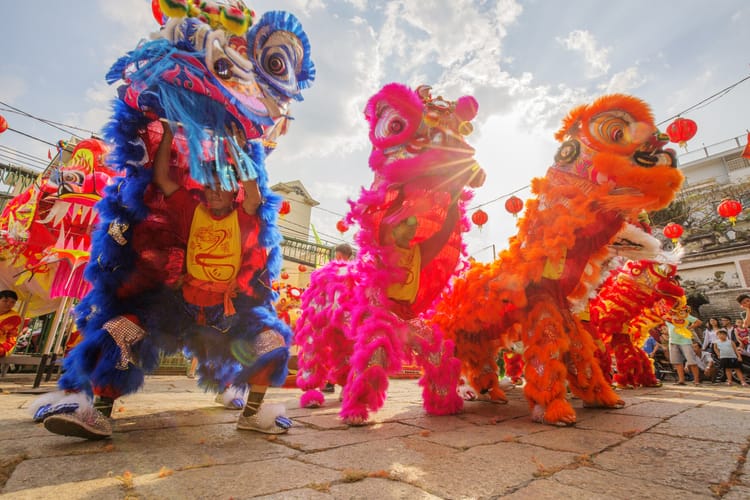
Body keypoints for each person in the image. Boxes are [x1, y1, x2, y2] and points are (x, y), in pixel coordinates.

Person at [37, 122, 293, 439]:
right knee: (118, 329)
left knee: (273, 343)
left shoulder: (245, 215)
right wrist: (170, 131)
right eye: (209, 184)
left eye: (223, 184)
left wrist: (244, 149)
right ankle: (98, 415)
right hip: (177, 307)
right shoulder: (189, 209)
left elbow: (254, 193)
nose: (214, 190)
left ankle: (252, 415)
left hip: (229, 312)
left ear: (234, 191)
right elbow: (162, 179)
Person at [665, 299, 702, 386]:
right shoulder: (668, 317)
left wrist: (690, 327)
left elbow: (698, 322)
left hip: (685, 340)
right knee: (677, 362)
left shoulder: (684, 315)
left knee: (691, 361)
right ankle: (681, 380)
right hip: (673, 340)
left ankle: (696, 380)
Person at [0, 290, 21, 358]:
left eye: (12, 302)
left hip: (3, 346)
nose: (9, 304)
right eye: (5, 301)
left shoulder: (14, 317)